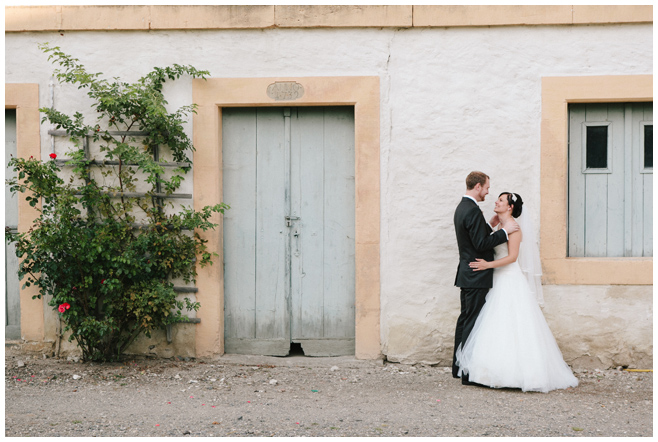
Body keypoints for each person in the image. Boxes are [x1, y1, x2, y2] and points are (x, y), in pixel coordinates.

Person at [455, 192, 579, 393]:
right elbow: (484, 240)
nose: (496, 201)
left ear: (510, 207)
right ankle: (488, 371)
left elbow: (512, 257)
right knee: (494, 323)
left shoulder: (514, 229)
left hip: (509, 278)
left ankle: (518, 373)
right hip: (496, 278)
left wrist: (488, 265)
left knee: (513, 322)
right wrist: (493, 224)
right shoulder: (499, 226)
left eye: (501, 200)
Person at [452, 171, 518, 385]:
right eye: (487, 188)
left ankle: (459, 368)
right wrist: (504, 232)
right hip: (476, 274)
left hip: (468, 273)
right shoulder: (471, 210)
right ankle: (468, 373)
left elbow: (474, 238)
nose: (489, 192)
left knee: (465, 319)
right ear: (478, 186)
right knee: (472, 322)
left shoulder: (464, 207)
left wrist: (489, 226)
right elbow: (480, 244)